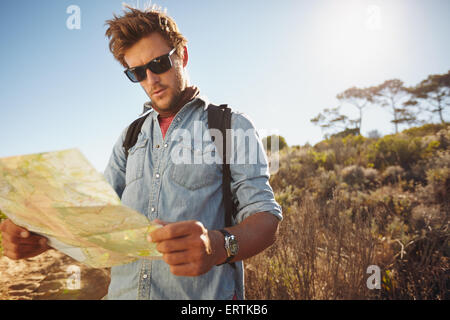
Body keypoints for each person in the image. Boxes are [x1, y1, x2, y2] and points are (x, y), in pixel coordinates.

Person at [0, 6, 282, 300]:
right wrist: (39, 234)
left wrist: (217, 246)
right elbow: (95, 219)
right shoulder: (129, 138)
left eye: (159, 63)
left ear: (182, 55)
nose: (151, 79)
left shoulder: (230, 126)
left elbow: (266, 219)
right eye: (137, 72)